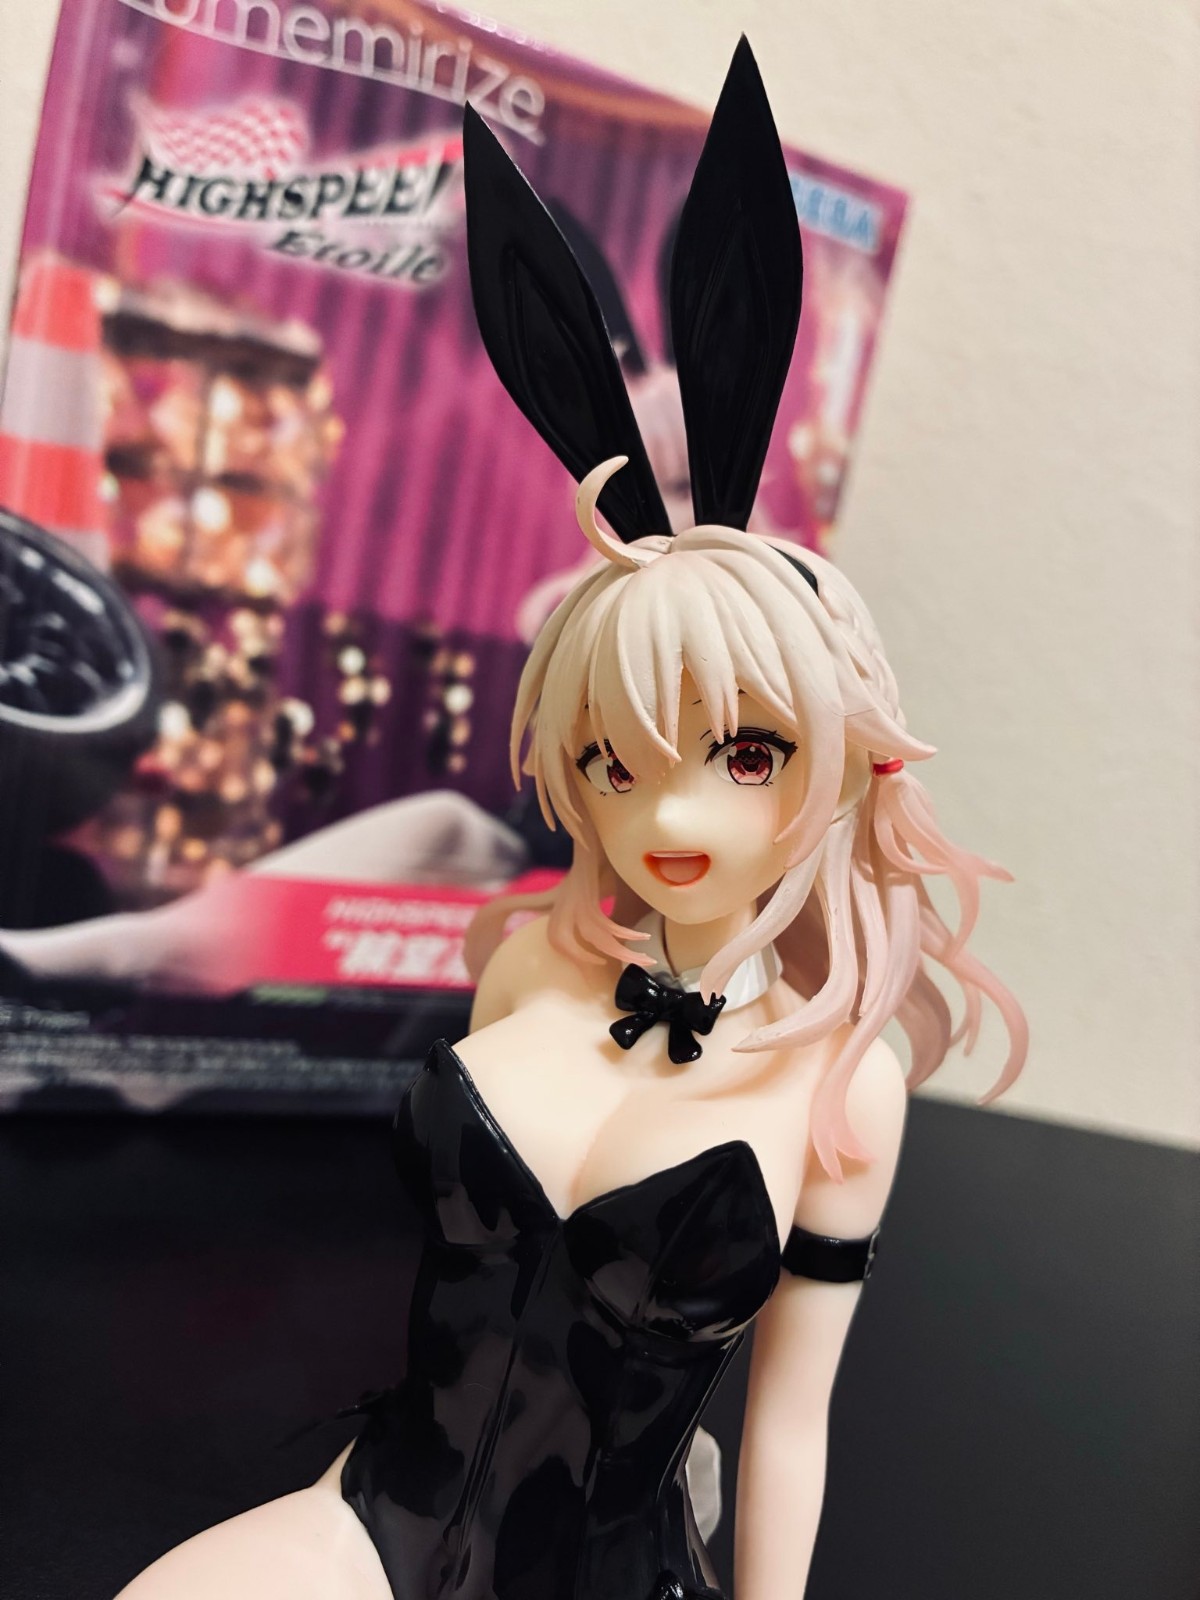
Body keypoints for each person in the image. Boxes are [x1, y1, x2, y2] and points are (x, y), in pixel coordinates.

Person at [114, 40, 1026, 1600]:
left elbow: (791, 1424)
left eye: (743, 752)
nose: (666, 808)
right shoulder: (529, 964)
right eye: (611, 760)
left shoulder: (846, 1090)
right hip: (381, 1512)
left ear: (841, 754)